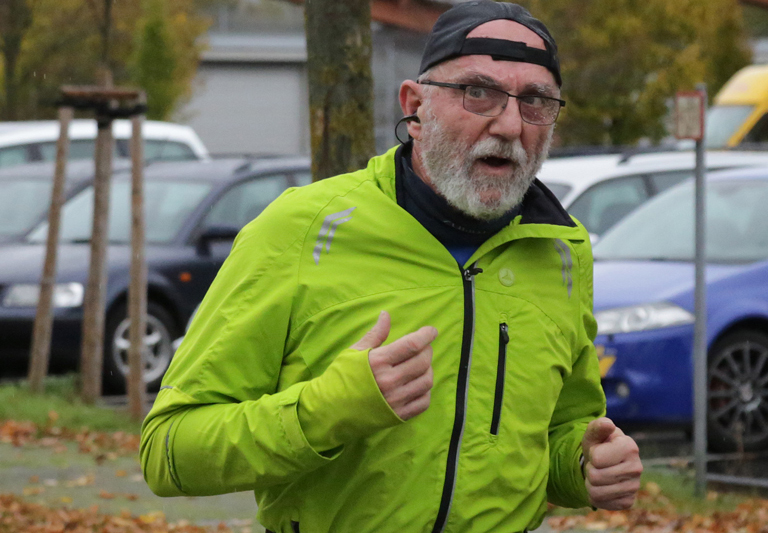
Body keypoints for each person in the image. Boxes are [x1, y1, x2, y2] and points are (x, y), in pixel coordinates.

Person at [140, 2, 643, 532]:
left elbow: (558, 435)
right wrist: (326, 412)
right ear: (415, 105)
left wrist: (585, 467)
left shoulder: (563, 250)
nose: (511, 123)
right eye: (478, 92)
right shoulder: (301, 229)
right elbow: (168, 451)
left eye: (537, 100)